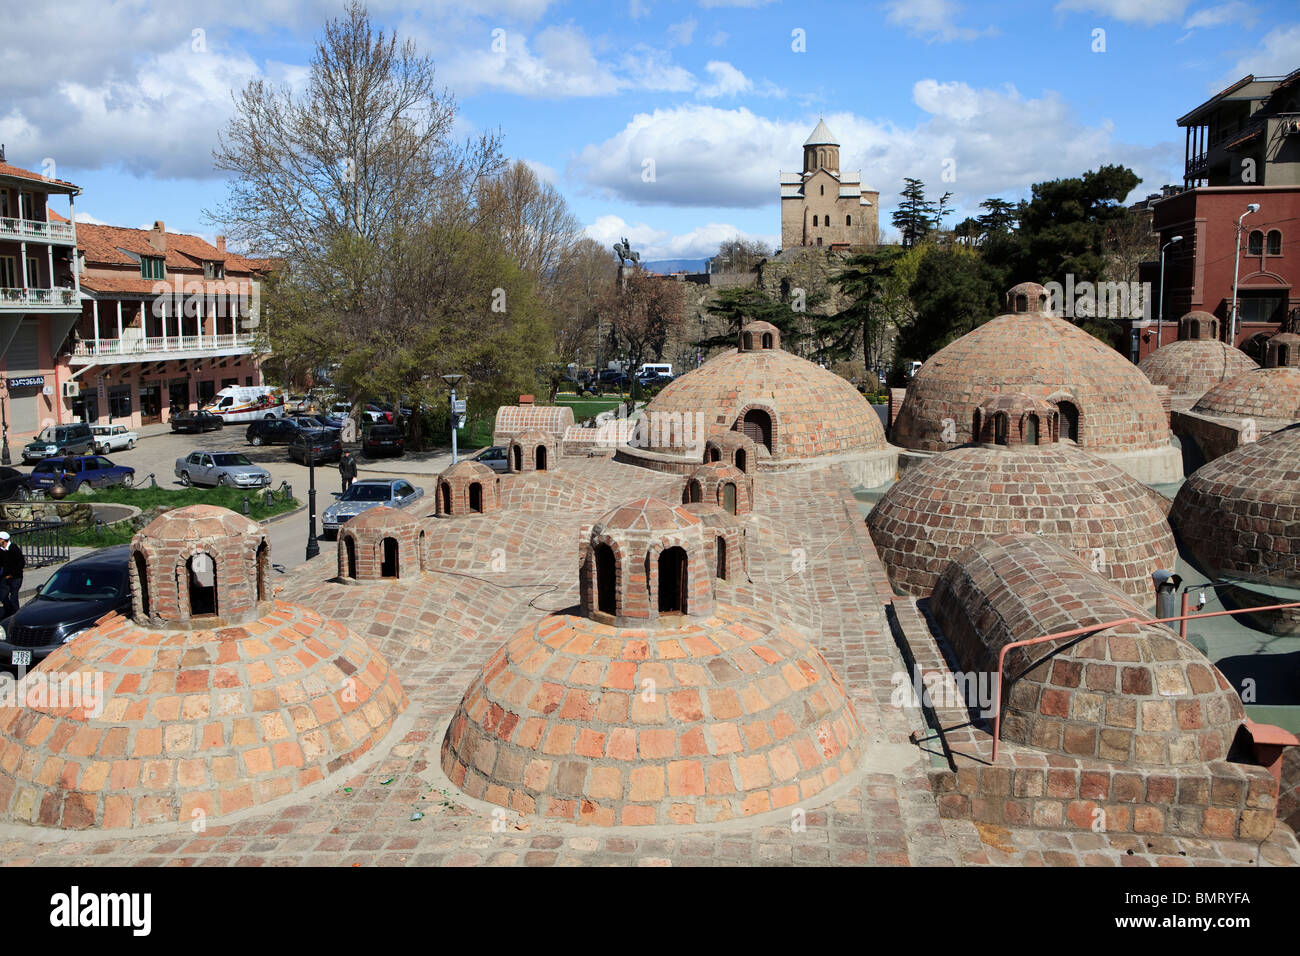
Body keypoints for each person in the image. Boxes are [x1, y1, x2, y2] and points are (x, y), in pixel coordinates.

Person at [0, 531, 24, 618]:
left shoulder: (14, 548)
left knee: (13, 598)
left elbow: (21, 563)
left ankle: (16, 615)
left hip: (16, 577)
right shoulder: (1, 550)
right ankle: (9, 612)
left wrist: (12, 574)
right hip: (5, 577)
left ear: (3, 540)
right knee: (3, 596)